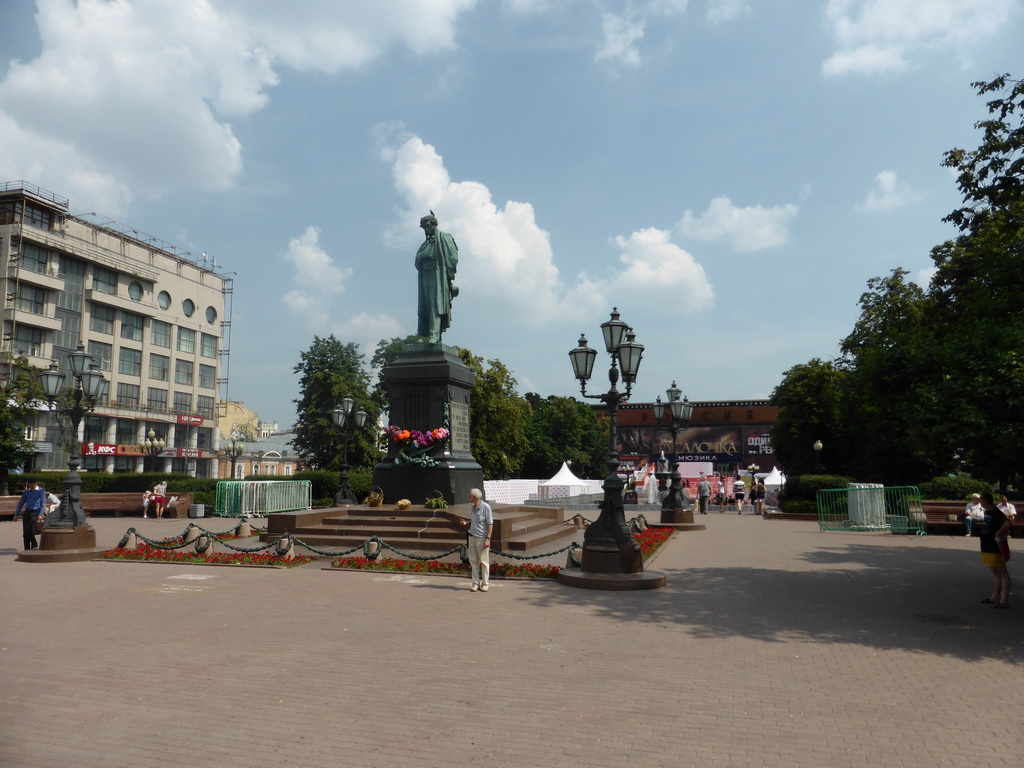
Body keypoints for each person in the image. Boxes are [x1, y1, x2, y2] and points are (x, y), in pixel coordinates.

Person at [416, 212, 459, 343]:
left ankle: (433, 335)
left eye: (427, 226)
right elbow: (418, 259)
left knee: (436, 304)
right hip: (425, 274)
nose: (426, 229)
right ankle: (425, 335)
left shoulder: (444, 237)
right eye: (423, 227)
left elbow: (453, 257)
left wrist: (448, 277)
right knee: (426, 305)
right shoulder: (425, 244)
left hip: (438, 274)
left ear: (434, 224)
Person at [978, 492, 1012, 609]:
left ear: (985, 501)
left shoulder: (995, 512)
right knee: (996, 573)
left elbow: (1007, 523)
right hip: (988, 546)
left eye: (980, 499)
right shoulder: (988, 511)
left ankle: (1004, 600)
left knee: (1002, 573)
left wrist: (998, 533)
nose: (979, 501)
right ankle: (994, 597)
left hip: (995, 547)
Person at [458, 488, 493, 592]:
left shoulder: (486, 507)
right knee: (473, 561)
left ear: (475, 497)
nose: (468, 497)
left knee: (484, 561)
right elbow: (474, 520)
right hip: (472, 536)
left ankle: (485, 583)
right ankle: (475, 583)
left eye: (470, 496)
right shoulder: (473, 507)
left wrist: (488, 538)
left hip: (482, 538)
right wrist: (467, 522)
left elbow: (490, 524)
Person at [13, 481, 46, 551]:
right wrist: (16, 514)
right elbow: (21, 503)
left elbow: (43, 503)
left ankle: (34, 543)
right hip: (27, 512)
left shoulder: (40, 491)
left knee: (29, 529)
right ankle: (27, 549)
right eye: (30, 484)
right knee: (25, 532)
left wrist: (40, 514)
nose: (31, 485)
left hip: (35, 512)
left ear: (35, 483)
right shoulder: (26, 492)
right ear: (28, 484)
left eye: (33, 484)